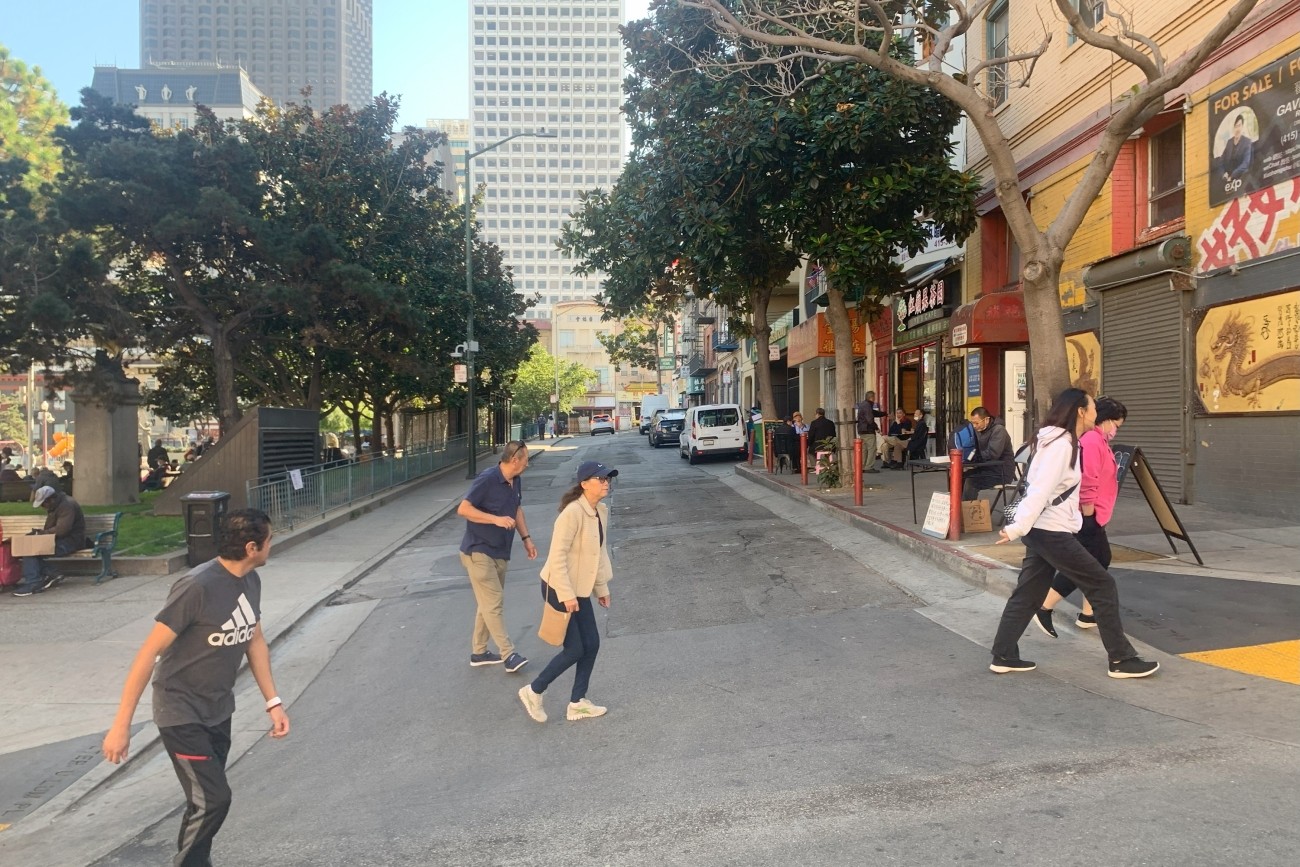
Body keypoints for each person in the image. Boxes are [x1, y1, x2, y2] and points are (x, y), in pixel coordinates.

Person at [102, 509, 290, 867]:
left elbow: (255, 641)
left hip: (219, 710)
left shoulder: (251, 581)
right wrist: (121, 725)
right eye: (269, 539)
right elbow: (147, 654)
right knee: (215, 800)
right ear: (252, 547)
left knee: (203, 801)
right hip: (181, 712)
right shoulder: (197, 586)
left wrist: (273, 702)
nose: (271, 544)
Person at [990, 388, 1159, 679]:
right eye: (1093, 407)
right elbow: (1040, 490)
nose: (1097, 411)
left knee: (1028, 592)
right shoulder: (1062, 445)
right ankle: (1121, 659)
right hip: (1050, 531)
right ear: (1081, 412)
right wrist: (1016, 528)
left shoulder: (1055, 440)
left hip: (1044, 529)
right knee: (1102, 585)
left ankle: (1004, 654)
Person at [518, 461, 616, 724]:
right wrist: (567, 595)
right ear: (584, 484)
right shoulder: (572, 513)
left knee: (592, 644)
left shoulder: (600, 511)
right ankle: (533, 690)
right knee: (575, 649)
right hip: (559, 586)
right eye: (600, 478)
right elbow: (557, 557)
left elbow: (598, 553)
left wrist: (601, 588)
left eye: (608, 479)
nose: (606, 482)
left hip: (580, 587)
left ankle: (577, 703)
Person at [1034, 397, 1128, 637]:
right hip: (1089, 514)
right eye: (1116, 425)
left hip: (1095, 512)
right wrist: (1089, 511)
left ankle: (1088, 614)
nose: (1116, 430)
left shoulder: (1098, 440)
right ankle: (1044, 606)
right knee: (1092, 562)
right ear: (1104, 420)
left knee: (1093, 562)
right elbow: (1089, 477)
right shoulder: (1093, 441)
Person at [458, 440, 538, 673]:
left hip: (501, 550)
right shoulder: (487, 478)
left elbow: (517, 509)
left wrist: (526, 539)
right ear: (515, 459)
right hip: (478, 550)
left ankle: (479, 652)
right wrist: (495, 519)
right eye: (526, 458)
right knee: (493, 603)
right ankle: (508, 654)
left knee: (488, 604)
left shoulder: (516, 480)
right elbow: (463, 509)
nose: (527, 463)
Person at [11, 485, 87, 597]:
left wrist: (41, 534)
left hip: (71, 542)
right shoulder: (56, 505)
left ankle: (33, 583)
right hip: (61, 539)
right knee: (28, 547)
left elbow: (62, 530)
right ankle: (51, 572)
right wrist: (38, 534)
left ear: (51, 499)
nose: (42, 507)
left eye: (43, 503)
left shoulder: (67, 505)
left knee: (31, 550)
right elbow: (52, 529)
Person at [962, 407, 1015, 500]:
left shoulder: (999, 430)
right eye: (972, 423)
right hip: (986, 468)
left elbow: (993, 454)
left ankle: (967, 511)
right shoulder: (978, 430)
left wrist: (975, 457)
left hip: (1001, 472)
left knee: (971, 481)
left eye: (977, 423)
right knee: (959, 477)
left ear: (986, 420)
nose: (974, 426)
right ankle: (958, 508)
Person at [854, 391, 886, 473]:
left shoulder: (863, 404)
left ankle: (862, 466)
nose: (875, 399)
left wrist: (884, 414)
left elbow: (873, 413)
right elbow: (870, 419)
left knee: (864, 449)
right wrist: (877, 428)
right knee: (872, 449)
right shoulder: (868, 405)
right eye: (874, 397)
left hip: (862, 430)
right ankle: (869, 467)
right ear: (871, 397)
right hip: (868, 430)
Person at [1219, 114, 1254, 185]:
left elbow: (1245, 164)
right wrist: (1223, 174)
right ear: (1233, 128)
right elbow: (1221, 161)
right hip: (1227, 180)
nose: (1237, 129)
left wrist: (1232, 176)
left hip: (1240, 178)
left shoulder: (1247, 142)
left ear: (1242, 127)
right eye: (1235, 126)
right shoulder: (1229, 142)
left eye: (1239, 125)